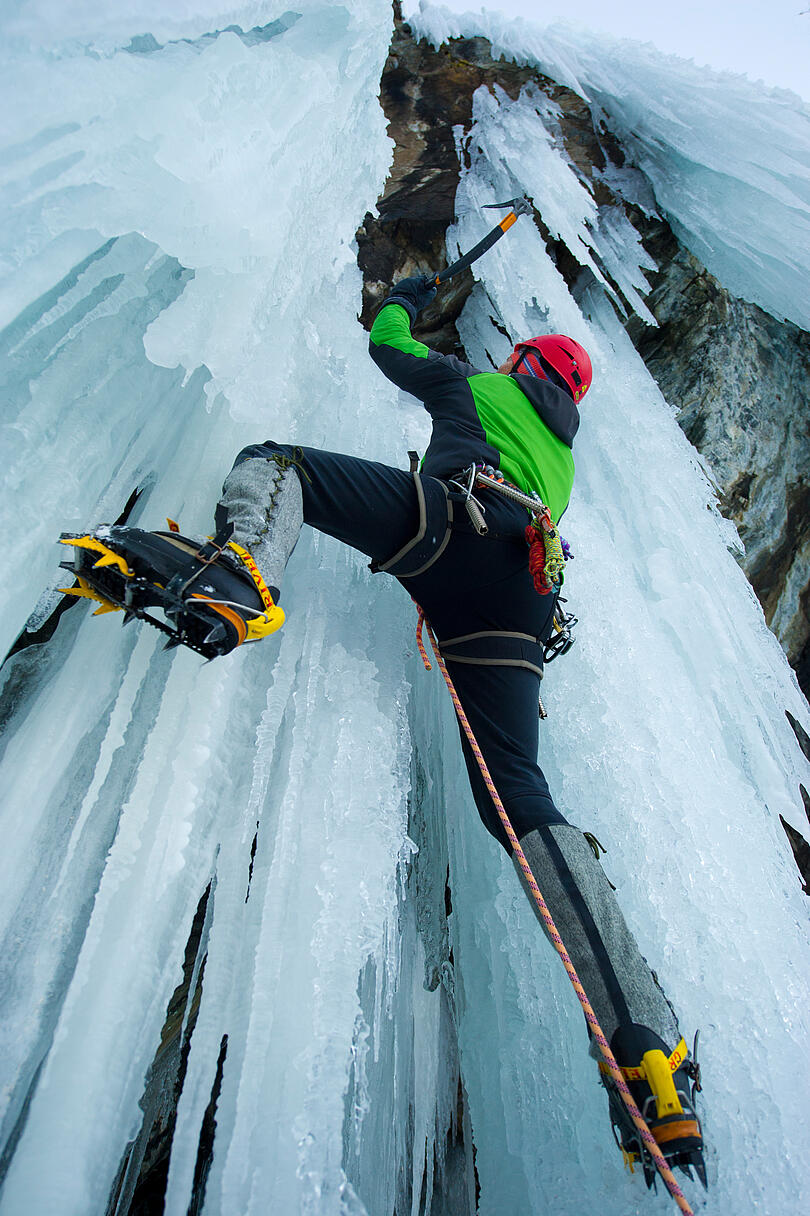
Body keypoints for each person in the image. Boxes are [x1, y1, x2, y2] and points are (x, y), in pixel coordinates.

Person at [61, 276, 705, 1185]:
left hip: (448, 526)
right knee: (517, 796)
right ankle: (646, 1048)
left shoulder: (472, 387)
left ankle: (242, 571)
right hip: (522, 603)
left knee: (279, 461)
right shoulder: (563, 463)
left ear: (520, 367)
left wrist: (403, 298)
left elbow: (388, 348)